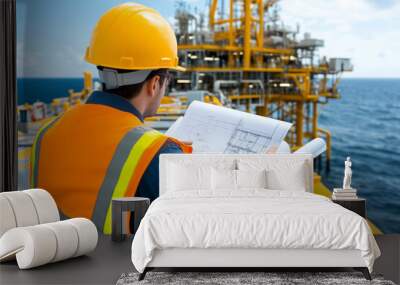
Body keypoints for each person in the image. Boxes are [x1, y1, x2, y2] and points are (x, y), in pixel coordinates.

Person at [30, 3, 192, 234]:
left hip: (47, 260)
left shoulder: (46, 133)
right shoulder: (156, 153)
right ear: (155, 84)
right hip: (119, 269)